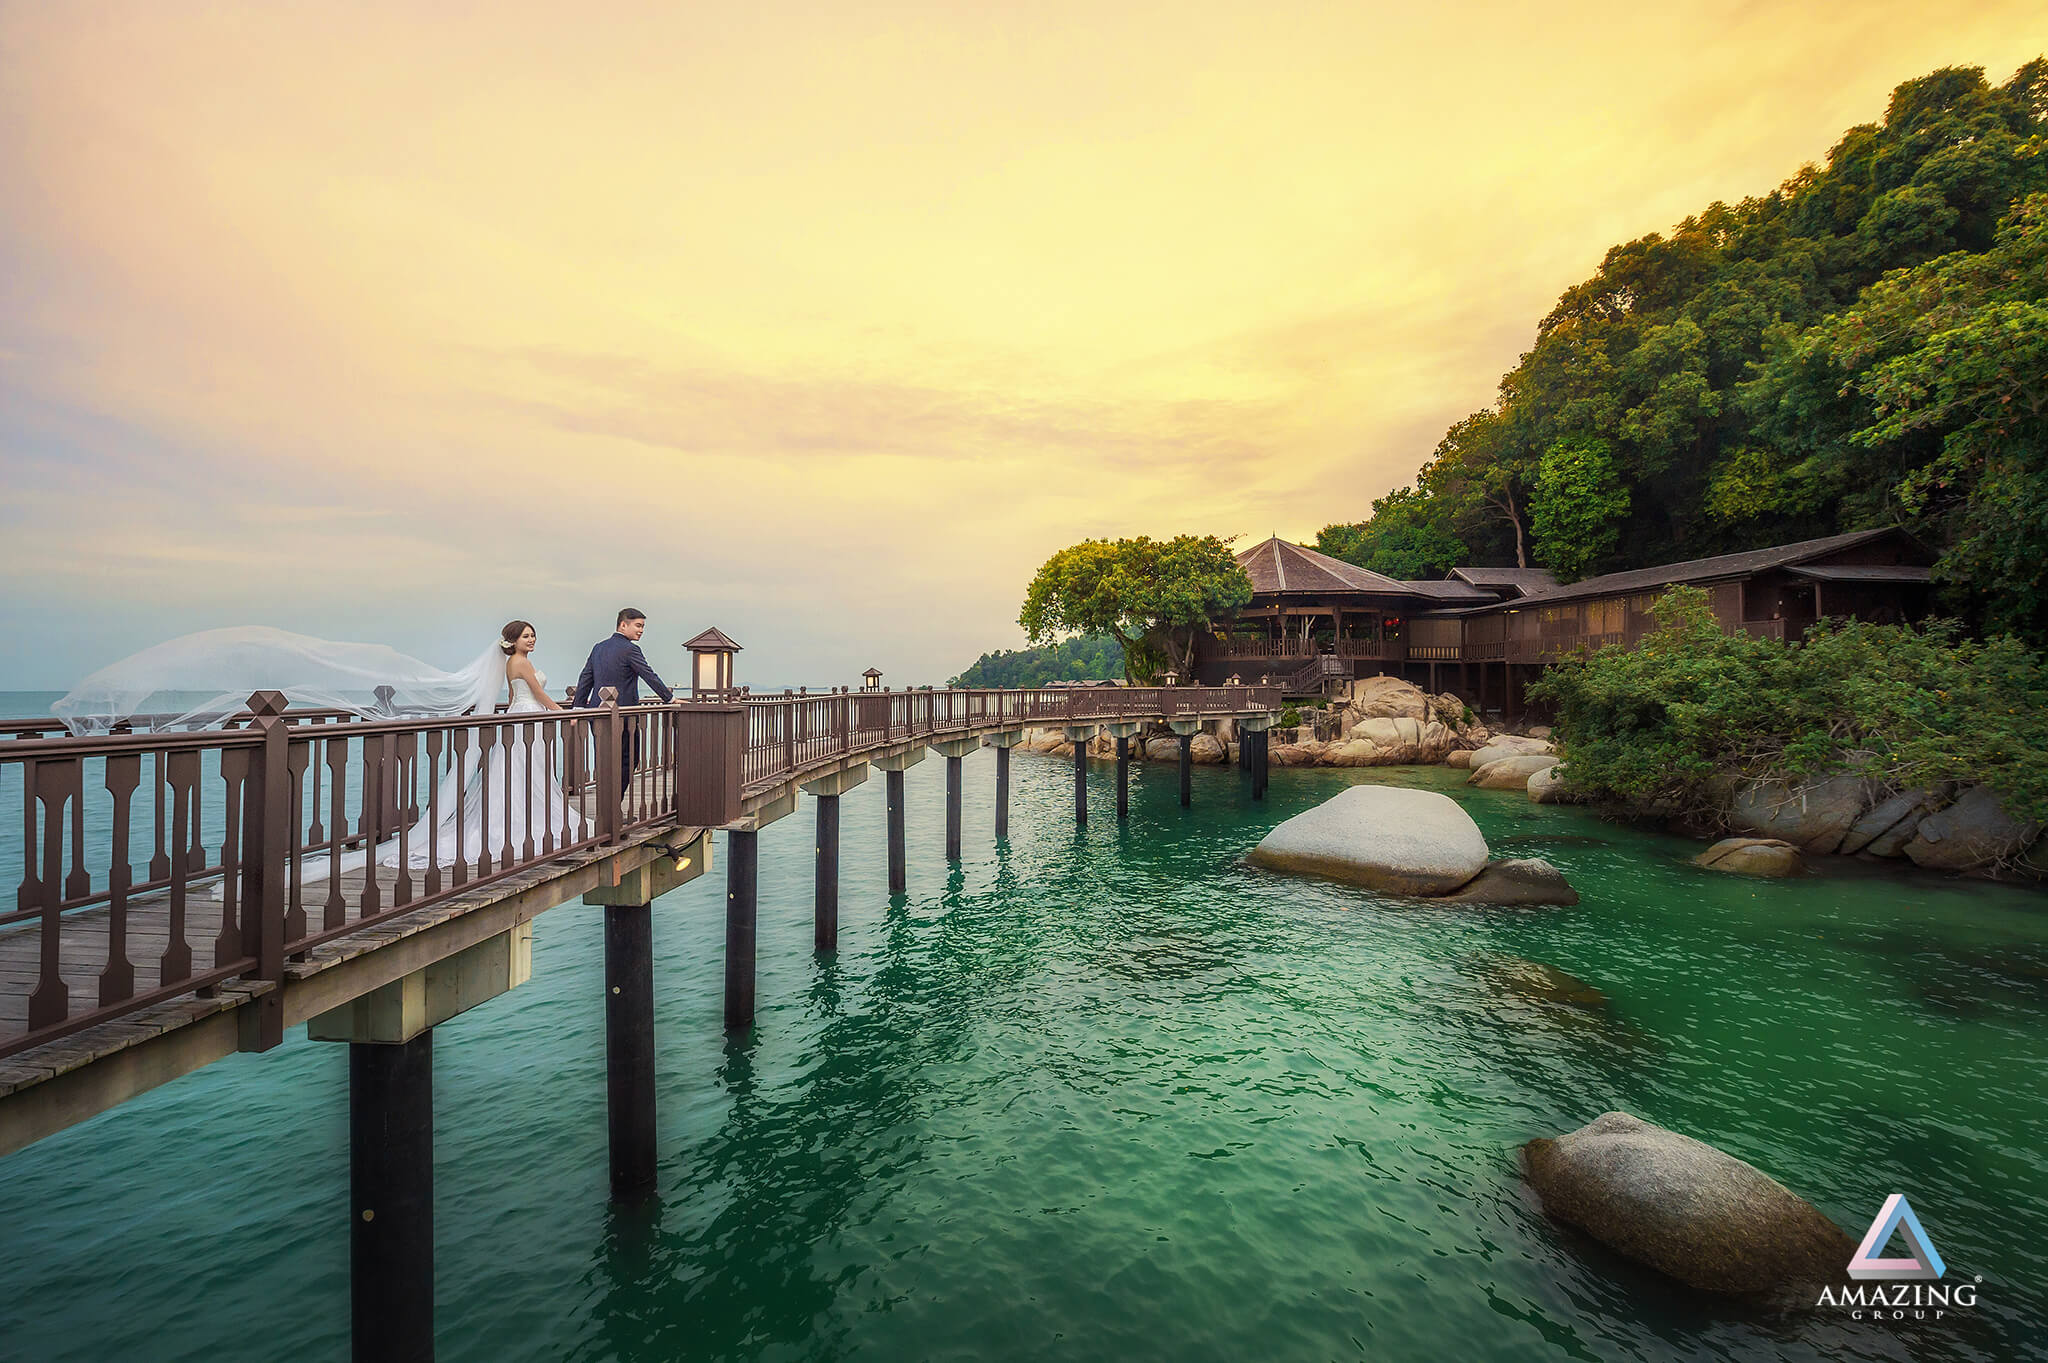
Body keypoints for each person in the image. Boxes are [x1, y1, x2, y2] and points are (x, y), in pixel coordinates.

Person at [573, 607, 674, 791]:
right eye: (638, 625)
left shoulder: (599, 648)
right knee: (629, 759)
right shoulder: (630, 649)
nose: (641, 630)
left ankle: (607, 808)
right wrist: (669, 699)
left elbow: (585, 678)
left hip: (597, 714)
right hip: (624, 716)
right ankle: (612, 808)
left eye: (643, 626)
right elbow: (649, 675)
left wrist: (577, 708)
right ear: (622, 624)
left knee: (605, 761)